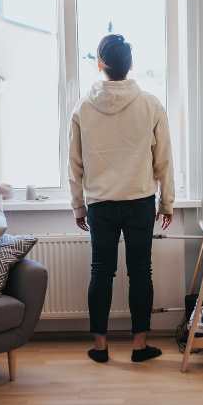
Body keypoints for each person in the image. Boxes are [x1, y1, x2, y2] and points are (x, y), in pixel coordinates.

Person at [69, 34, 175, 363]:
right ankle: (139, 346)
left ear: (101, 64)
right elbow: (164, 159)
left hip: (100, 203)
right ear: (130, 65)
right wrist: (167, 202)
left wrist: (78, 204)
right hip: (140, 200)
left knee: (101, 271)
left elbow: (75, 163)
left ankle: (100, 347)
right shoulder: (151, 104)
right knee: (141, 272)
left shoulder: (84, 107)